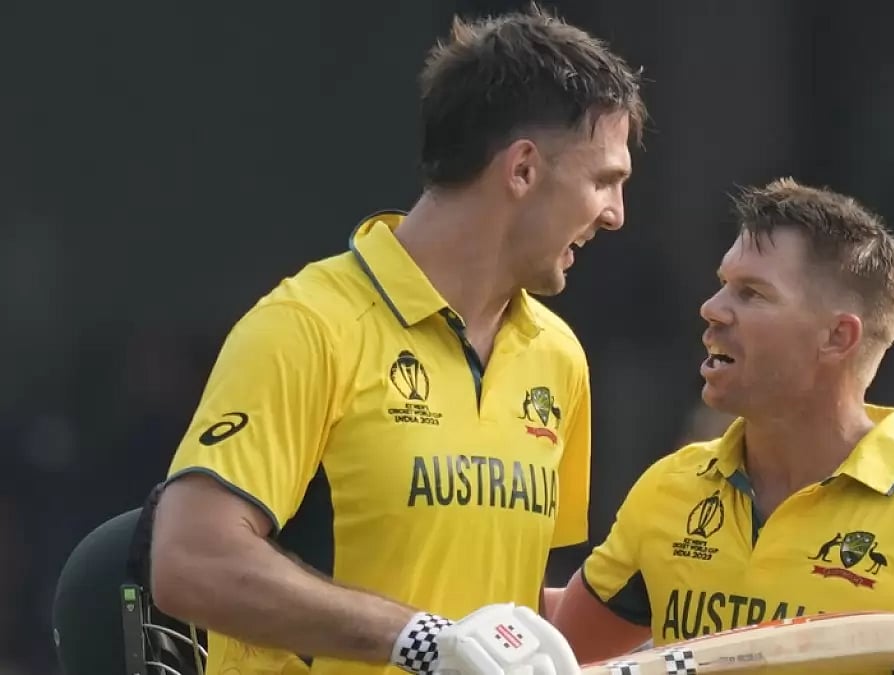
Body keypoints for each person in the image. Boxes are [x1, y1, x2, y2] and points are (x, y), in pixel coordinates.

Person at [54, 5, 645, 675]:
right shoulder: (308, 327)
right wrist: (418, 637)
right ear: (522, 170)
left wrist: (661, 614)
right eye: (605, 180)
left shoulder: (558, 359)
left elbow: (498, 599)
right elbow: (190, 560)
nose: (615, 214)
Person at [549, 178, 894, 674]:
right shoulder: (670, 489)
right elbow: (554, 656)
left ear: (838, 337)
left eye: (752, 293)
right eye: (723, 285)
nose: (712, 309)